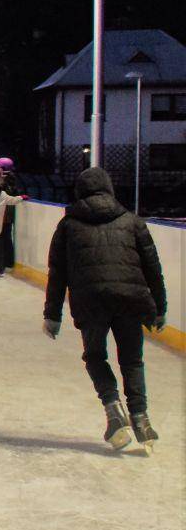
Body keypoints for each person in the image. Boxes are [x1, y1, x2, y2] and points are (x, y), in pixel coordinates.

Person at [43, 167, 166, 451]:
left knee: (95, 356)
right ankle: (141, 417)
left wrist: (52, 314)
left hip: (91, 302)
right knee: (132, 361)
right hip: (130, 299)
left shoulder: (68, 225)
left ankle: (113, 410)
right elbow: (152, 269)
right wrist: (159, 308)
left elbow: (57, 272)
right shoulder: (132, 221)